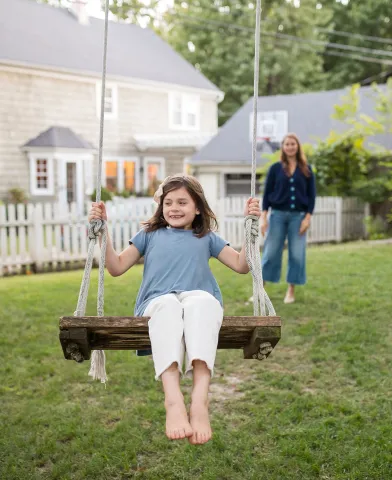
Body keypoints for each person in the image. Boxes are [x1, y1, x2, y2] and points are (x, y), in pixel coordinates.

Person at [88, 174, 261, 445]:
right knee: (168, 305)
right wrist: (103, 232)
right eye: (168, 202)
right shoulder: (148, 235)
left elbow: (241, 265)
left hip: (198, 298)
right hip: (157, 301)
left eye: (182, 202)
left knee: (202, 303)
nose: (174, 208)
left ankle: (200, 401)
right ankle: (173, 400)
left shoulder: (207, 238)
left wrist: (250, 227)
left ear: (198, 208)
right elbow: (116, 267)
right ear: (161, 206)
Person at [260, 133, 316, 304]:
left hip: (298, 218)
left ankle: (291, 291)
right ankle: (260, 291)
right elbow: (267, 194)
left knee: (297, 255)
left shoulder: (306, 169)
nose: (290, 147)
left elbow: (311, 195)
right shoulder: (275, 169)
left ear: (298, 147)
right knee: (270, 253)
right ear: (283, 147)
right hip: (277, 216)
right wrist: (264, 217)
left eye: (293, 144)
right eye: (287, 144)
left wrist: (307, 218)